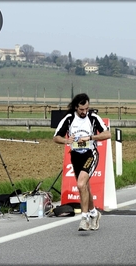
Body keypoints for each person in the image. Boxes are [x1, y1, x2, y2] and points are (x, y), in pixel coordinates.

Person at [53, 93, 111, 231]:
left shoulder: (93, 117)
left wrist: (90, 137)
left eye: (86, 109)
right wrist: (66, 140)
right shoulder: (69, 118)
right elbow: (56, 137)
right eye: (81, 110)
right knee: (85, 187)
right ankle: (94, 213)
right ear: (76, 107)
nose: (85, 112)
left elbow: (108, 134)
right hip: (75, 156)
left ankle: (84, 219)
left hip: (90, 154)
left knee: (80, 184)